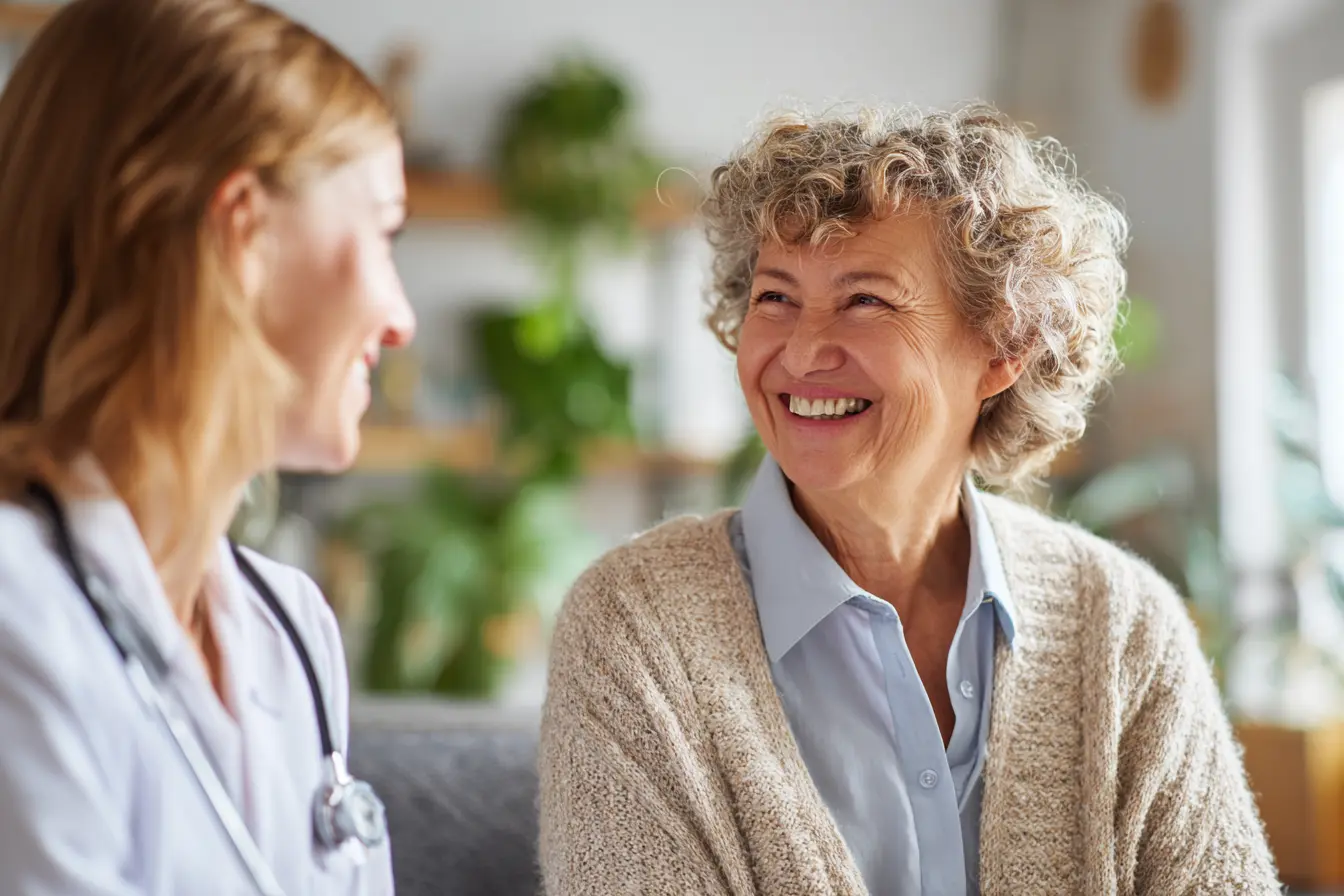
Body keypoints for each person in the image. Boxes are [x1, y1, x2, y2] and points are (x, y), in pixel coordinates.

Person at [539, 105, 1280, 895]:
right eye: (774, 298)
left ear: (1003, 346)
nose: (800, 351)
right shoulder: (633, 630)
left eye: (866, 301)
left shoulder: (1125, 627)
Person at [0, 0, 414, 892]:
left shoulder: (289, 627)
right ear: (244, 233)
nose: (401, 320)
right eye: (384, 234)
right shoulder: (17, 614)